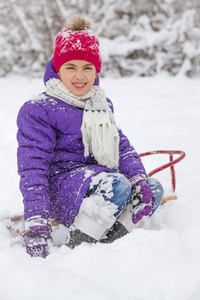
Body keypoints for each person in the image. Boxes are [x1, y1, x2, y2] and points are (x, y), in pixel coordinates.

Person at [17, 14, 164, 258]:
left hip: (96, 183)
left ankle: (113, 239)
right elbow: (33, 169)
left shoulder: (100, 104)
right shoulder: (39, 109)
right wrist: (36, 219)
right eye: (70, 67)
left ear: (96, 71)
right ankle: (77, 249)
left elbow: (121, 146)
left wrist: (139, 179)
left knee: (152, 187)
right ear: (57, 69)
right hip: (60, 191)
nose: (80, 76)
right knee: (116, 186)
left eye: (87, 68)